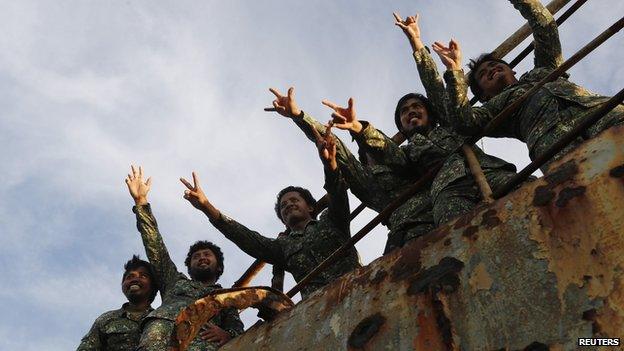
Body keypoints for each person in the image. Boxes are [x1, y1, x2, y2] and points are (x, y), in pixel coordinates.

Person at [322, 12, 521, 225]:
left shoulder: (450, 125)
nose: (411, 112)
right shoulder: (407, 155)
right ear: (401, 124)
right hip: (450, 196)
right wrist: (359, 129)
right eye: (405, 111)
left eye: (417, 106)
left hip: (491, 173)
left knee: (537, 200)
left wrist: (416, 42)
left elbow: (434, 88)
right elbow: (386, 150)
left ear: (430, 113)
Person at [435, 0, 624, 171]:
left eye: (494, 65)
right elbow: (462, 121)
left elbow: (546, 29)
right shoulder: (494, 109)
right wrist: (454, 71)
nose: (491, 70)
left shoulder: (543, 69)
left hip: (601, 112)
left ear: (512, 70)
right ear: (483, 96)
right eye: (483, 74)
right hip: (555, 145)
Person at [180, 125, 361, 299]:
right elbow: (244, 237)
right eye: (283, 206)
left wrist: (330, 165)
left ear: (311, 207)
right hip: (321, 306)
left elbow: (337, 194)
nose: (288, 205)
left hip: (360, 286)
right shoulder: (282, 247)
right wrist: (207, 206)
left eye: (294, 200)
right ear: (283, 220)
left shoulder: (331, 220)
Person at [265, 87, 434, 254]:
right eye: (367, 152)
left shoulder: (407, 155)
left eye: (375, 146)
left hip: (439, 215)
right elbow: (336, 146)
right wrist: (299, 116)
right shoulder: (368, 183)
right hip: (402, 238)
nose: (373, 152)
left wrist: (359, 128)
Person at [125, 166, 243, 351]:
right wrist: (141, 202)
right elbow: (155, 246)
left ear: (219, 267)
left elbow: (236, 330)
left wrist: (228, 335)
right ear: (189, 266)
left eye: (207, 255)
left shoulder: (225, 298)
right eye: (196, 256)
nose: (201, 258)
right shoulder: (174, 282)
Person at [77, 255, 157, 351]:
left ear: (153, 285)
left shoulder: (162, 319)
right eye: (130, 277)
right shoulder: (106, 319)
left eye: (143, 276)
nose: (135, 279)